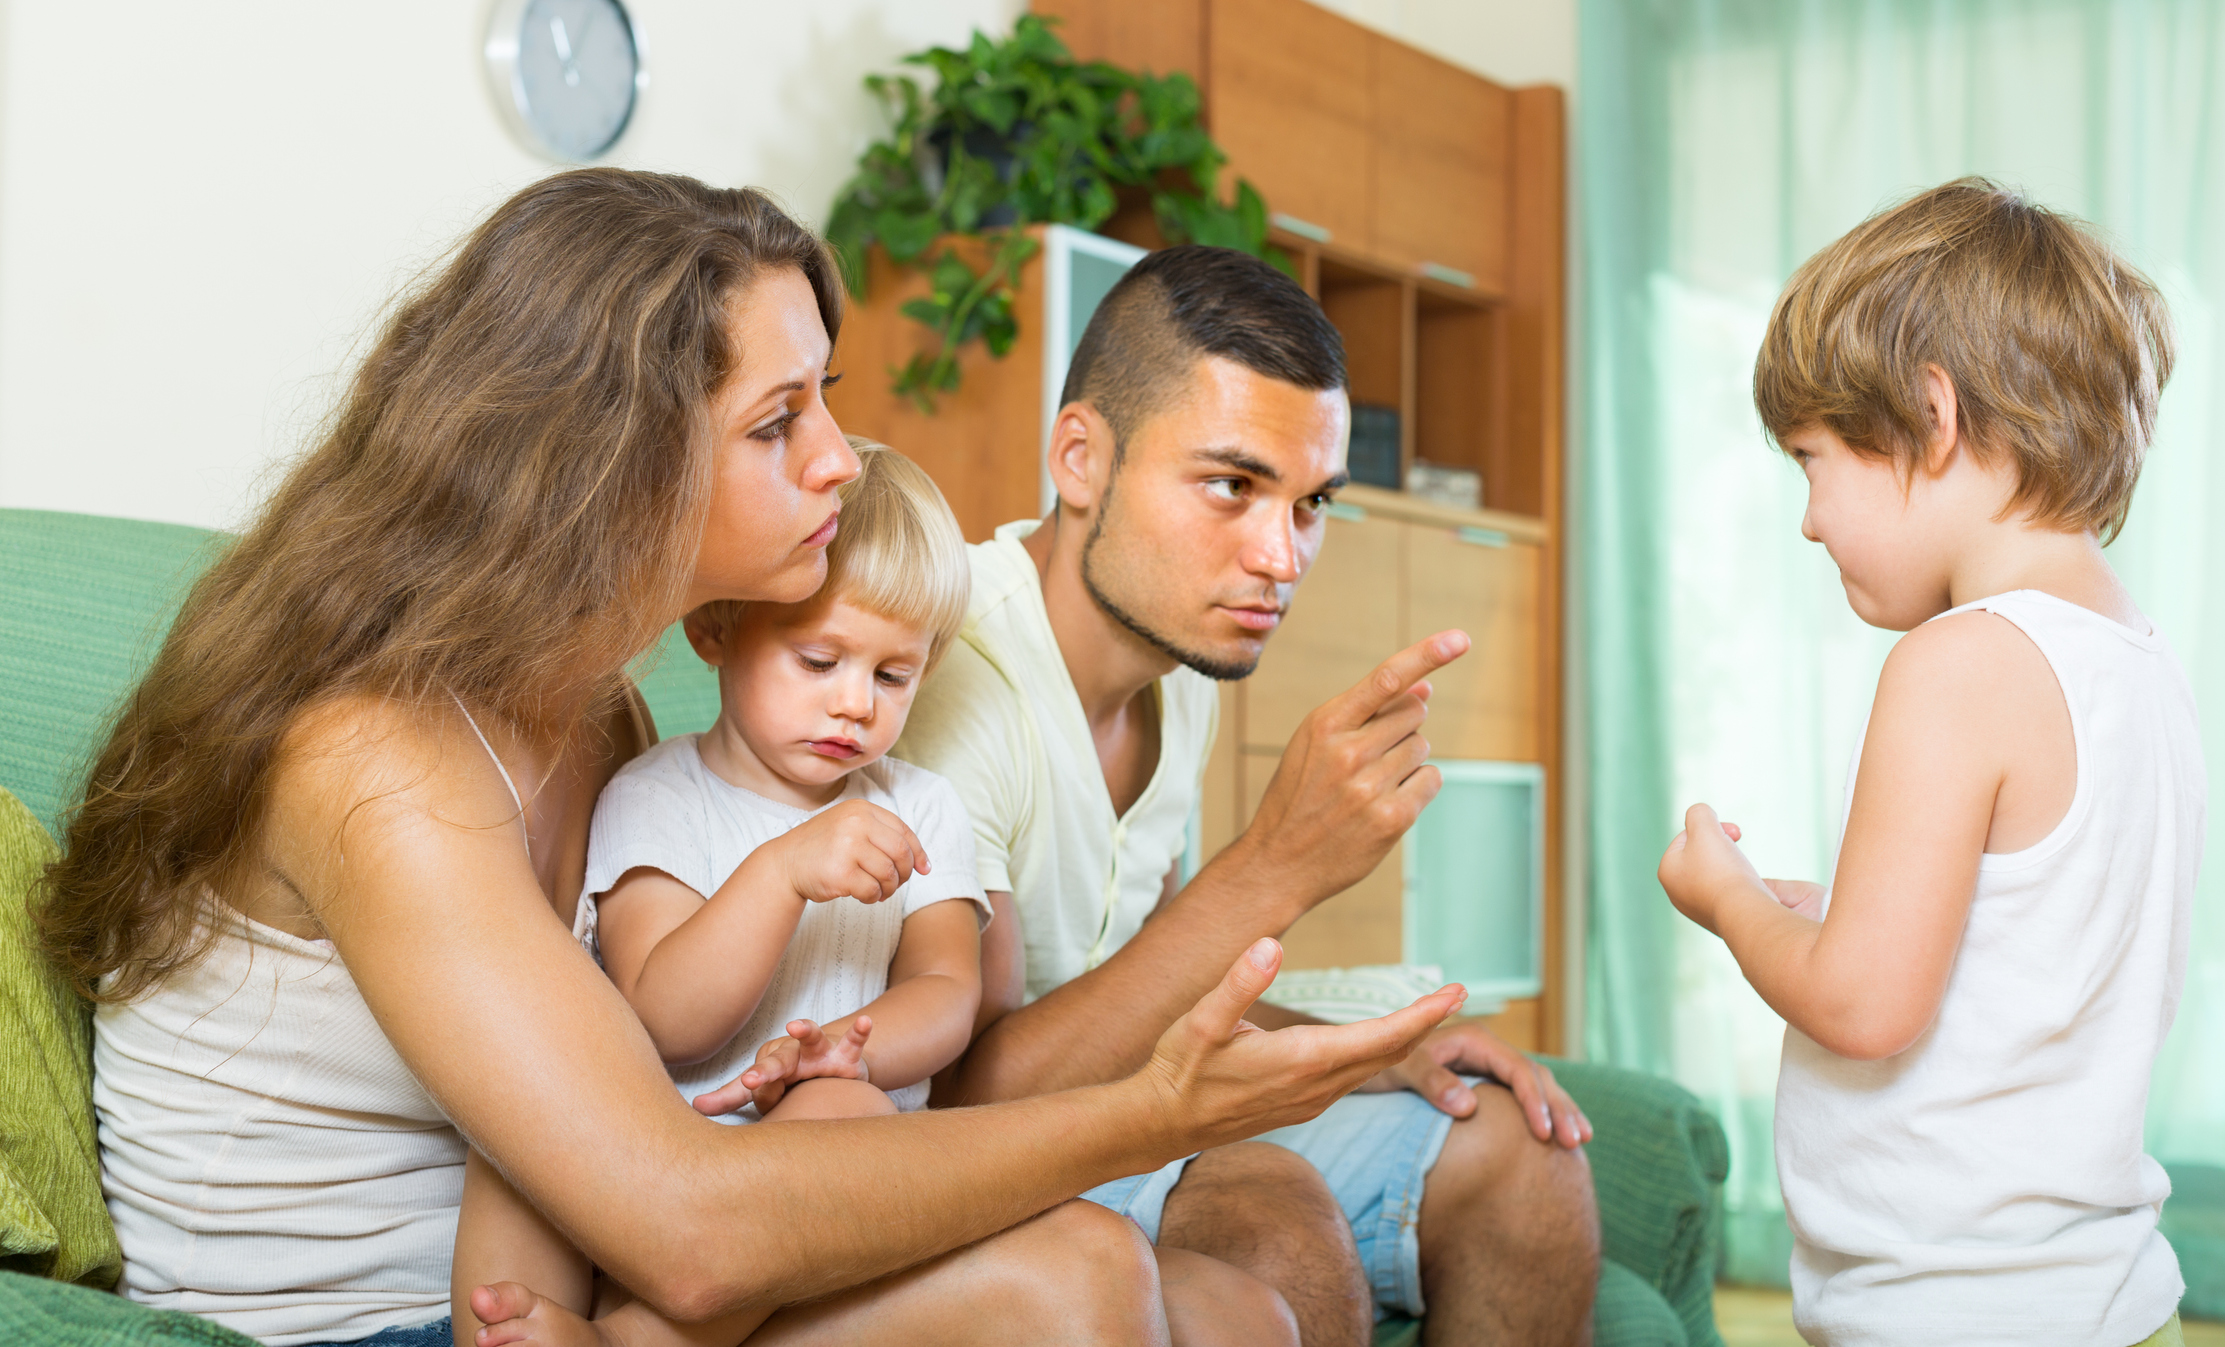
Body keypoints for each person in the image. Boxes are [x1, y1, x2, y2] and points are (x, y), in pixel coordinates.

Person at [40, 169, 1463, 1347]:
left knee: (1239, 1312)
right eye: (779, 423)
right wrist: (1148, 1112)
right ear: (606, 457)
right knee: (1076, 1277)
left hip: (583, 1271)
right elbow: (694, 1228)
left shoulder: (589, 708)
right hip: (390, 1321)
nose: (843, 459)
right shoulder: (376, 758)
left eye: (824, 399)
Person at [898, 245, 1601, 1346]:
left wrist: (1369, 1046)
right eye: (1231, 486)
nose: (1279, 556)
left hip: (1127, 1113)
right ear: (1079, 458)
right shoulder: (951, 687)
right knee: (1277, 1227)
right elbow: (965, 1103)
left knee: (1524, 1158)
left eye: (1309, 503)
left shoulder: (1179, 672)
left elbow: (1157, 981)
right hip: (992, 1164)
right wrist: (1274, 865)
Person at [1656, 179, 2198, 1347]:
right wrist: (1819, 910)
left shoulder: (1957, 663)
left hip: (1952, 1313)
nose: (1807, 520)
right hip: (2098, 1295)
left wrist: (1729, 905)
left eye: (1810, 460)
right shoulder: (2134, 659)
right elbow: (2011, 951)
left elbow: (1862, 1005)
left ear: (1928, 415)